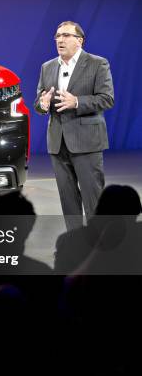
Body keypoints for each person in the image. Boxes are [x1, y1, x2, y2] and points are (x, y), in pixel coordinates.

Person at [34, 21, 114, 230]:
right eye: (57, 36)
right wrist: (42, 105)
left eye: (66, 35)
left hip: (86, 141)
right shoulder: (47, 67)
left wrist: (77, 102)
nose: (60, 40)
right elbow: (40, 101)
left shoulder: (98, 64)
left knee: (93, 197)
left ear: (79, 40)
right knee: (68, 200)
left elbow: (107, 99)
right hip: (58, 143)